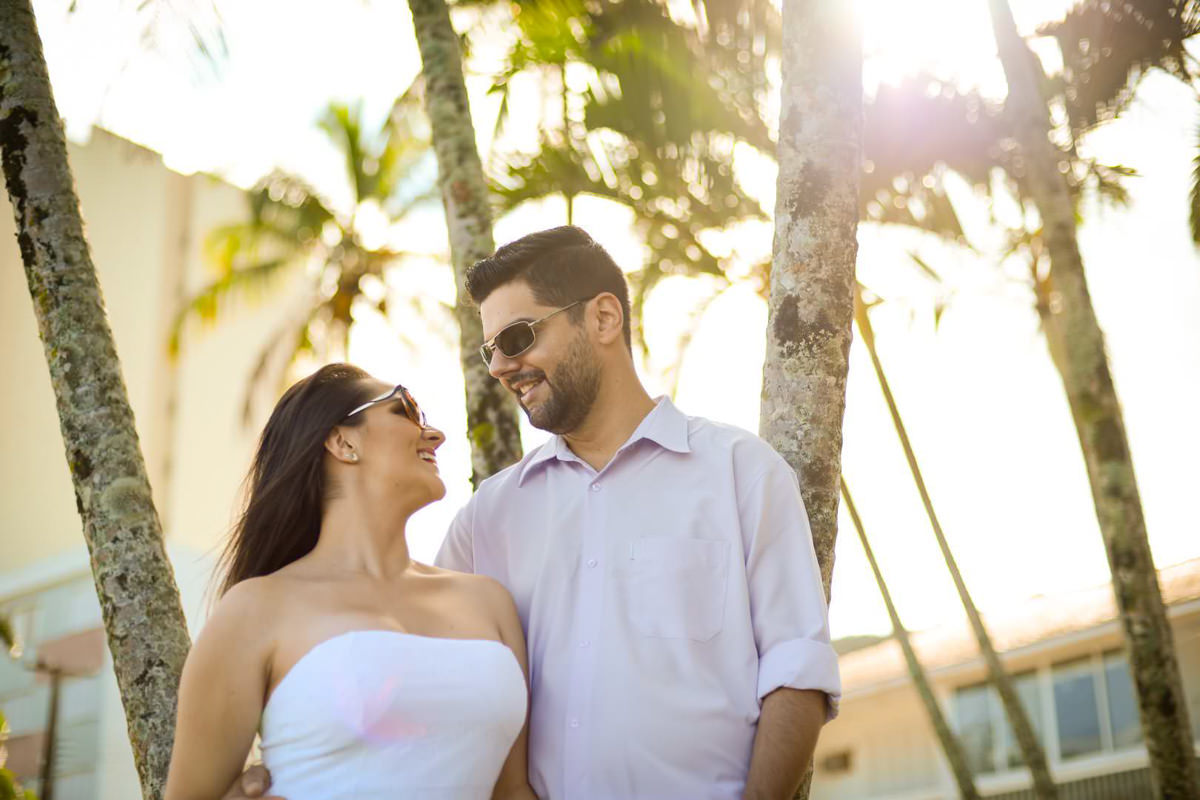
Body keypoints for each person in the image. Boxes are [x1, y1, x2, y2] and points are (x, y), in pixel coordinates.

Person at [228, 225, 840, 800]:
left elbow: (796, 672)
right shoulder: (483, 522)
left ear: (603, 317)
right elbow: (411, 691)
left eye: (518, 338)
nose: (498, 367)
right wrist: (292, 771)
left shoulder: (742, 474)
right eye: (490, 348)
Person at [165, 363, 536, 800]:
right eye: (405, 409)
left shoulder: (488, 603)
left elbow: (513, 792)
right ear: (343, 442)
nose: (435, 434)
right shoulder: (254, 610)